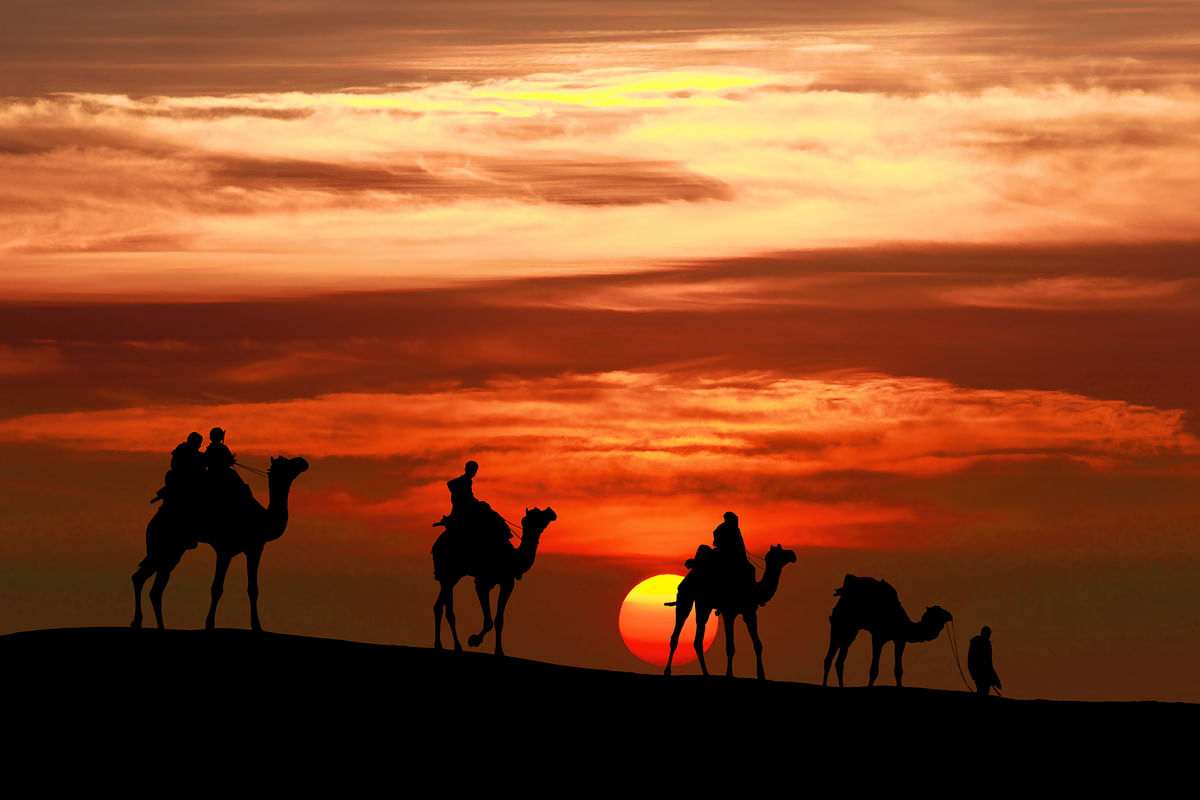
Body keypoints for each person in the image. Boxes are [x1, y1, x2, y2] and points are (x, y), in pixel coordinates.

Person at [711, 511, 756, 607]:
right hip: (724, 555)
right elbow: (716, 542)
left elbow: (740, 544)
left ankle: (752, 596)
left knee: (751, 569)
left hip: (737, 556)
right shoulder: (721, 529)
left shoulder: (736, 530)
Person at [151, 431, 204, 505]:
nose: (199, 446)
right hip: (183, 483)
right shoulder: (187, 452)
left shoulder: (182, 450)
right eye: (198, 443)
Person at [967, 625, 1002, 696]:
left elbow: (988, 664)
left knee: (982, 691)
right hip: (980, 674)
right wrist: (995, 680)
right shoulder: (983, 644)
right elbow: (988, 663)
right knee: (983, 691)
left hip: (978, 673)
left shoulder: (978, 643)